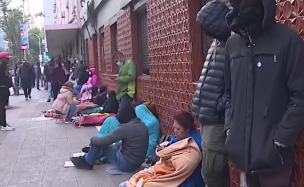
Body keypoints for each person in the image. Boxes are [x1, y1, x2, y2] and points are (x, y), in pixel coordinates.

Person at [224, 0, 304, 186]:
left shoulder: (289, 41)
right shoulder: (232, 44)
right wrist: (231, 128)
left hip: (274, 159)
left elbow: (300, 96)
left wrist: (281, 139)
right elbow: (229, 93)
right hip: (242, 155)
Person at [191, 1, 231, 187]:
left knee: (213, 170)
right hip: (207, 115)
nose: (205, 32)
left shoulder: (233, 42)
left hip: (216, 118)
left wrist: (218, 106)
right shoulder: (218, 42)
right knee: (210, 170)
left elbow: (235, 84)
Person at [119, 111, 205, 187]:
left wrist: (167, 155)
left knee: (149, 183)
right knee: (140, 174)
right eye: (174, 127)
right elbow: (171, 148)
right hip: (165, 167)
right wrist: (165, 149)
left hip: (182, 177)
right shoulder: (179, 137)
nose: (175, 131)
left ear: (187, 129)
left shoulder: (194, 147)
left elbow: (181, 166)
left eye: (178, 129)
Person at [69, 104, 149, 172]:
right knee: (113, 144)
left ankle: (87, 162)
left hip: (127, 165)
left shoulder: (126, 127)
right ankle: (87, 157)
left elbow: (104, 141)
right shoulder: (141, 125)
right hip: (136, 164)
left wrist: (93, 139)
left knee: (99, 142)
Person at [0, 52, 15, 131]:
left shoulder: (5, 67)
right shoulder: (1, 67)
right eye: (7, 58)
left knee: (3, 107)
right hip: (1, 89)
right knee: (2, 107)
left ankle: (2, 123)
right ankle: (3, 125)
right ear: (2, 59)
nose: (8, 59)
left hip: (5, 88)